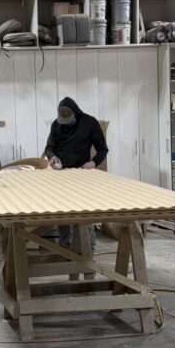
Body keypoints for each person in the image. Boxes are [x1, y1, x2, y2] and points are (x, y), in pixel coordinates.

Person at [43, 97, 108, 251]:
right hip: (61, 173)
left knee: (85, 210)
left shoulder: (89, 123)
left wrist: (93, 162)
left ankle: (89, 246)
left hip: (82, 174)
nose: (65, 123)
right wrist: (52, 157)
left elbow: (103, 149)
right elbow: (49, 147)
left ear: (76, 114)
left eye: (68, 120)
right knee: (63, 211)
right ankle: (65, 246)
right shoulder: (56, 124)